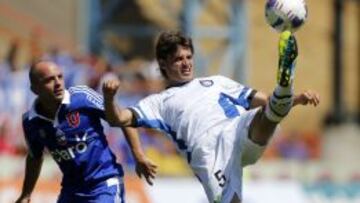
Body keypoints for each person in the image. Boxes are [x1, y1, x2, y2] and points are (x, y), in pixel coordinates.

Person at [102, 30, 320, 203]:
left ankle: (285, 88)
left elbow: (263, 99)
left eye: (189, 57)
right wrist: (110, 99)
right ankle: (281, 96)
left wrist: (297, 99)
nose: (186, 63)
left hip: (237, 129)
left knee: (267, 112)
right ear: (164, 64)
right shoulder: (159, 102)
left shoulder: (217, 82)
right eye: (178, 59)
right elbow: (120, 119)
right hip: (210, 155)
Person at [15, 61, 157, 203]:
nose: (58, 83)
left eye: (60, 77)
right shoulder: (31, 122)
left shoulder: (81, 97)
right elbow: (35, 157)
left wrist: (139, 156)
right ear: (35, 89)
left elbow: (123, 119)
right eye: (49, 80)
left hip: (104, 183)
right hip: (71, 190)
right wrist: (26, 194)